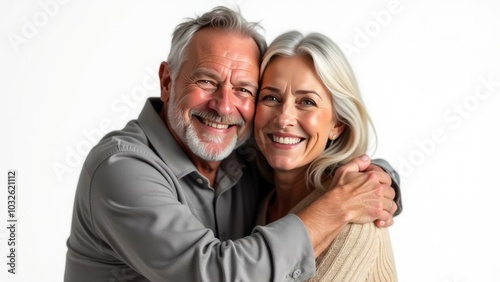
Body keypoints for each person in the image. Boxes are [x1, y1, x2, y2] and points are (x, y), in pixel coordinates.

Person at [64, 6, 401, 281]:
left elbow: (295, 151)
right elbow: (216, 273)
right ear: (167, 81)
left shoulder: (243, 155)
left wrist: (375, 177)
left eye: (243, 89)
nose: (224, 106)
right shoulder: (121, 168)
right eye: (207, 81)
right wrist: (336, 206)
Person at [253, 30, 398, 281]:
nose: (284, 117)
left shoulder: (356, 213)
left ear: (337, 125)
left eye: (307, 102)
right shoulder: (261, 200)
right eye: (271, 97)